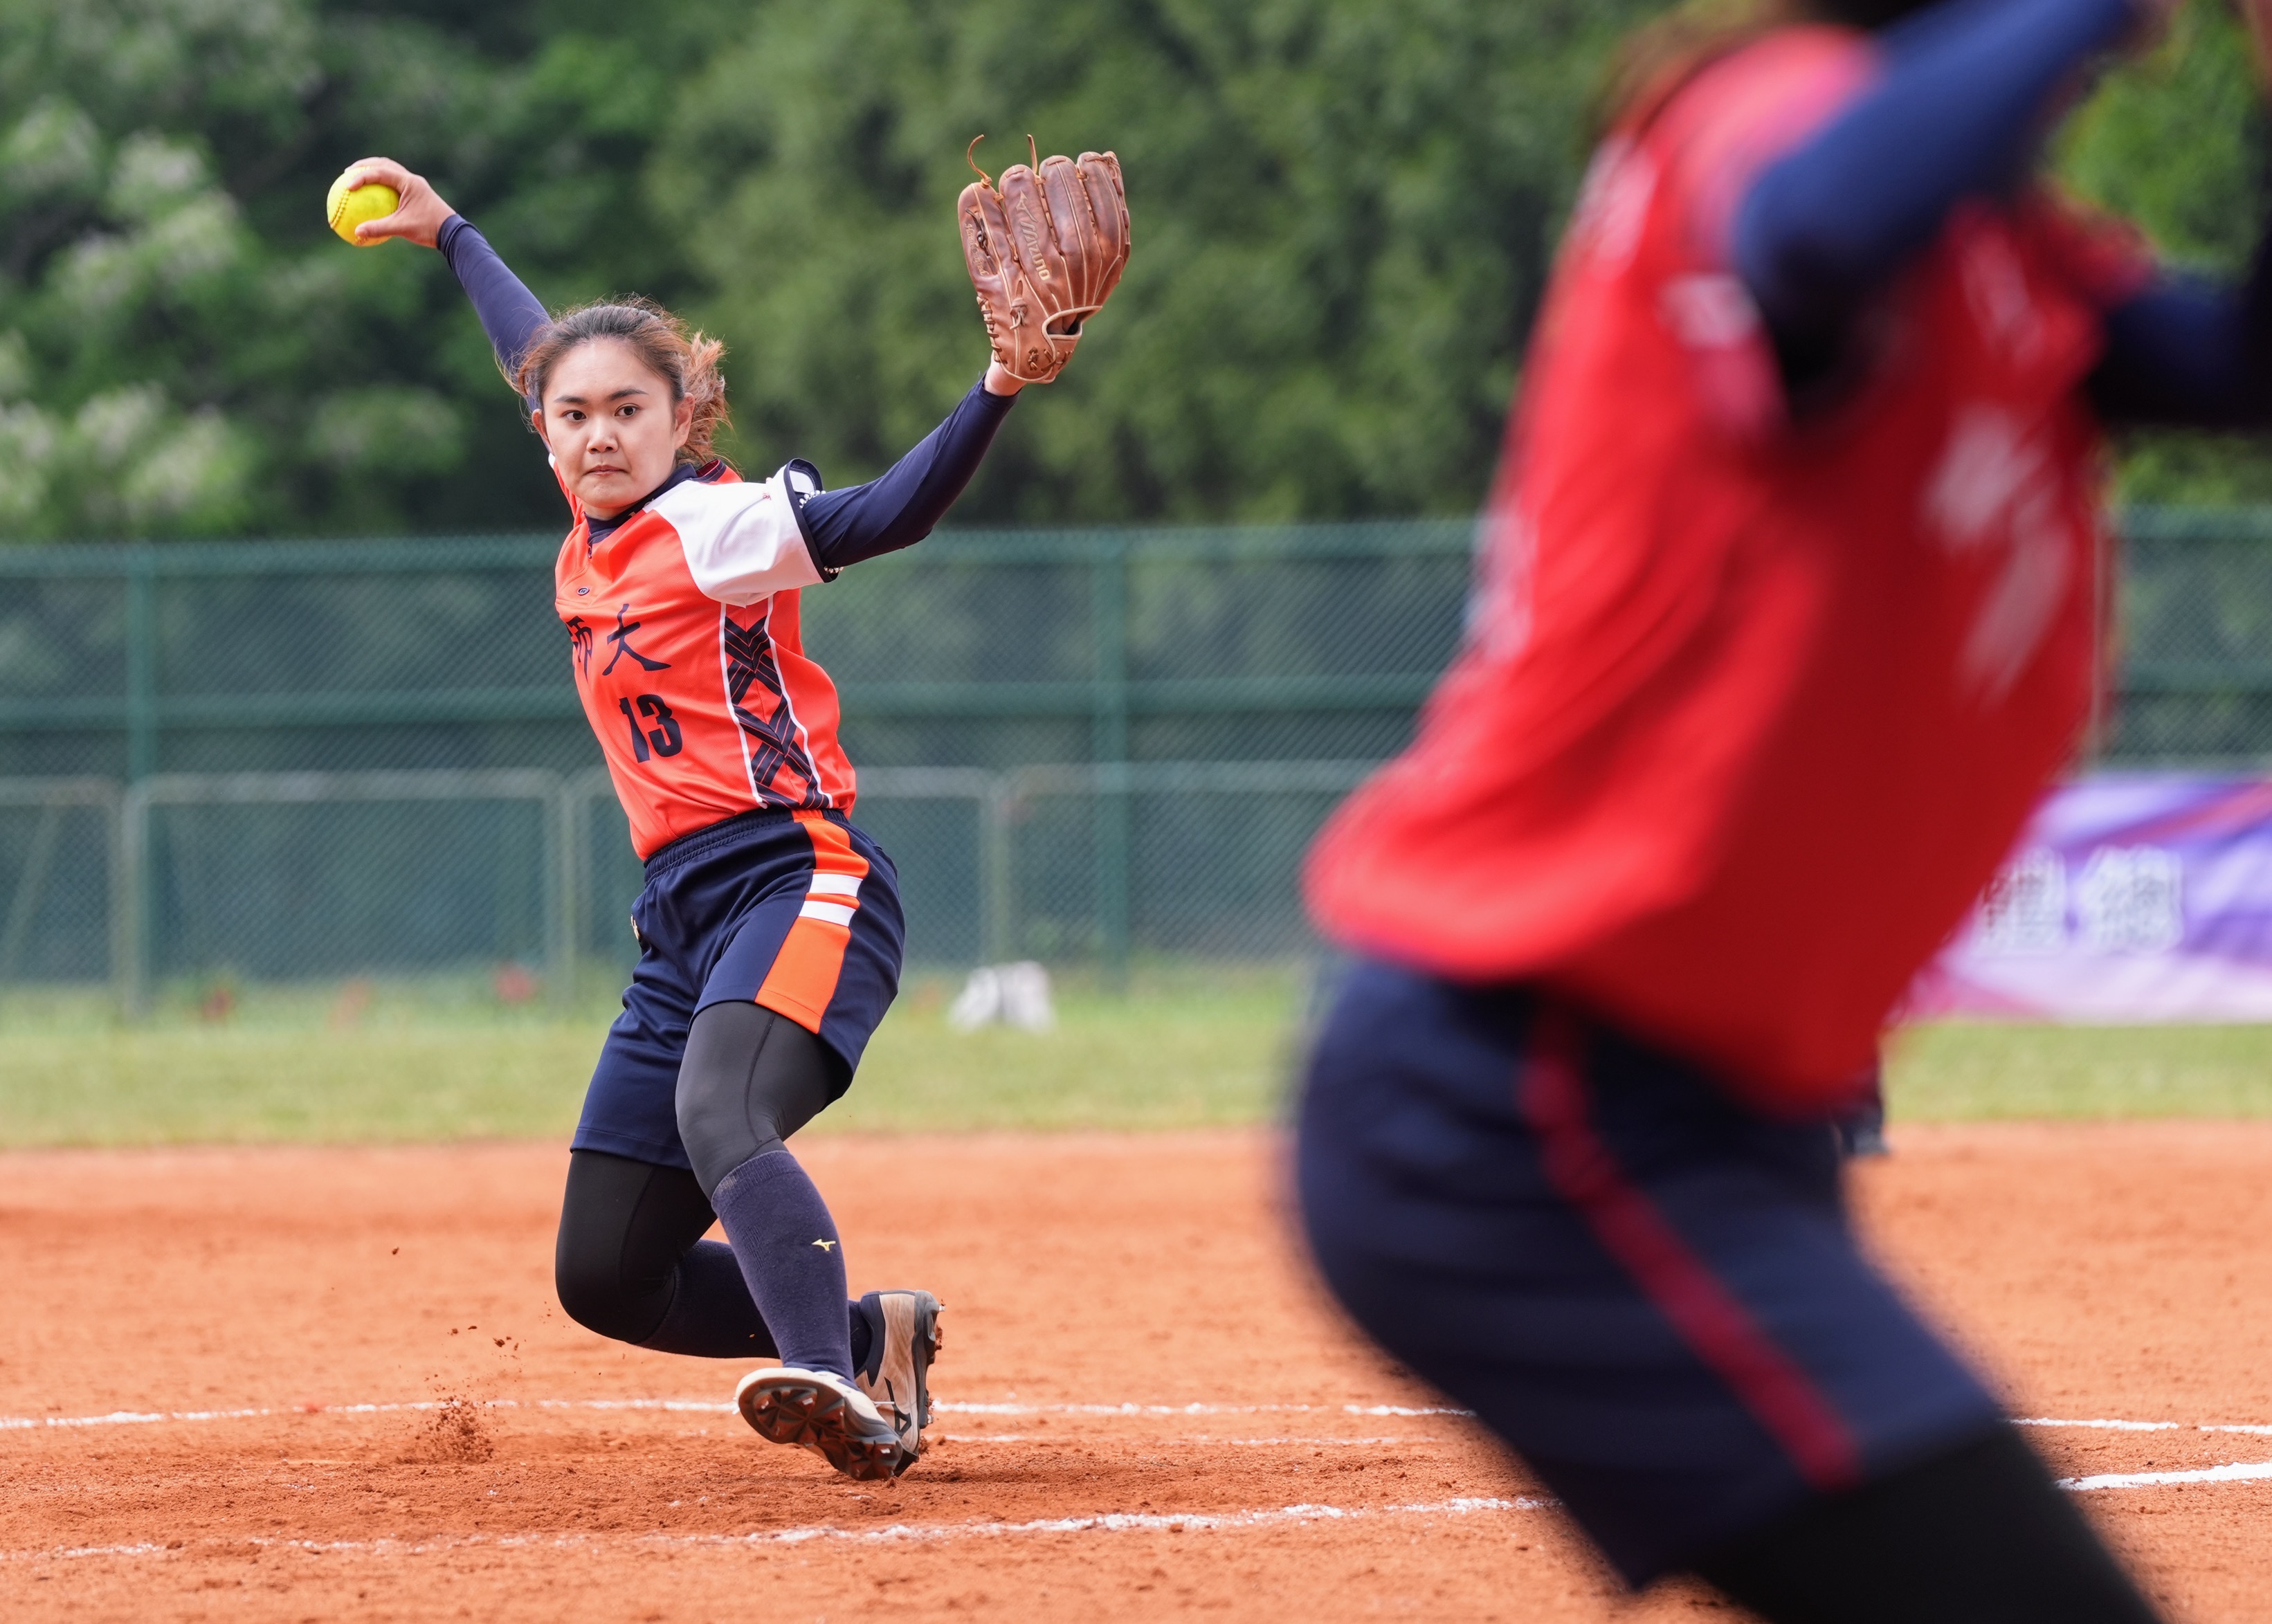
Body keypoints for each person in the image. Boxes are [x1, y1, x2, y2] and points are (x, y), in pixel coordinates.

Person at [1296, 0, 2266, 1616]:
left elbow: (2240, 363)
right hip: (1530, 1101)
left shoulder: (2004, 254)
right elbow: (1811, 232)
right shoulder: (1757, 116)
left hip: (1716, 1118)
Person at [340, 154, 1044, 1481]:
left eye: (629, 410)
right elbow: (533, 350)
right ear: (546, 431)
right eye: (574, 416)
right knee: (607, 1272)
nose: (599, 433)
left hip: (796, 876)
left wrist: (999, 383)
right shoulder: (588, 523)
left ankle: (836, 1385)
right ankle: (870, 1336)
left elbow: (888, 515)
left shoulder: (718, 528)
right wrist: (451, 234)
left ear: (683, 420)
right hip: (680, 921)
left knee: (723, 1109)